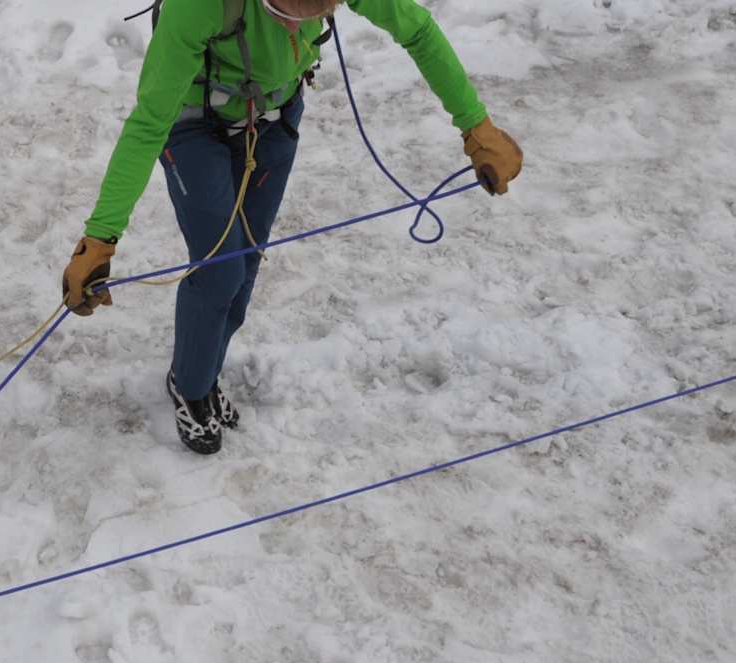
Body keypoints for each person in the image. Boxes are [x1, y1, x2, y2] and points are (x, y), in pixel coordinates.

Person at [61, 0, 523, 455]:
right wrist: (101, 237)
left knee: (245, 264)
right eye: (286, 11)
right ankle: (191, 385)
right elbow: (148, 123)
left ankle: (204, 369)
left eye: (318, 12)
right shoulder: (199, 5)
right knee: (219, 271)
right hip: (192, 125)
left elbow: (418, 30)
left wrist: (476, 126)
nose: (295, 26)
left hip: (276, 118)